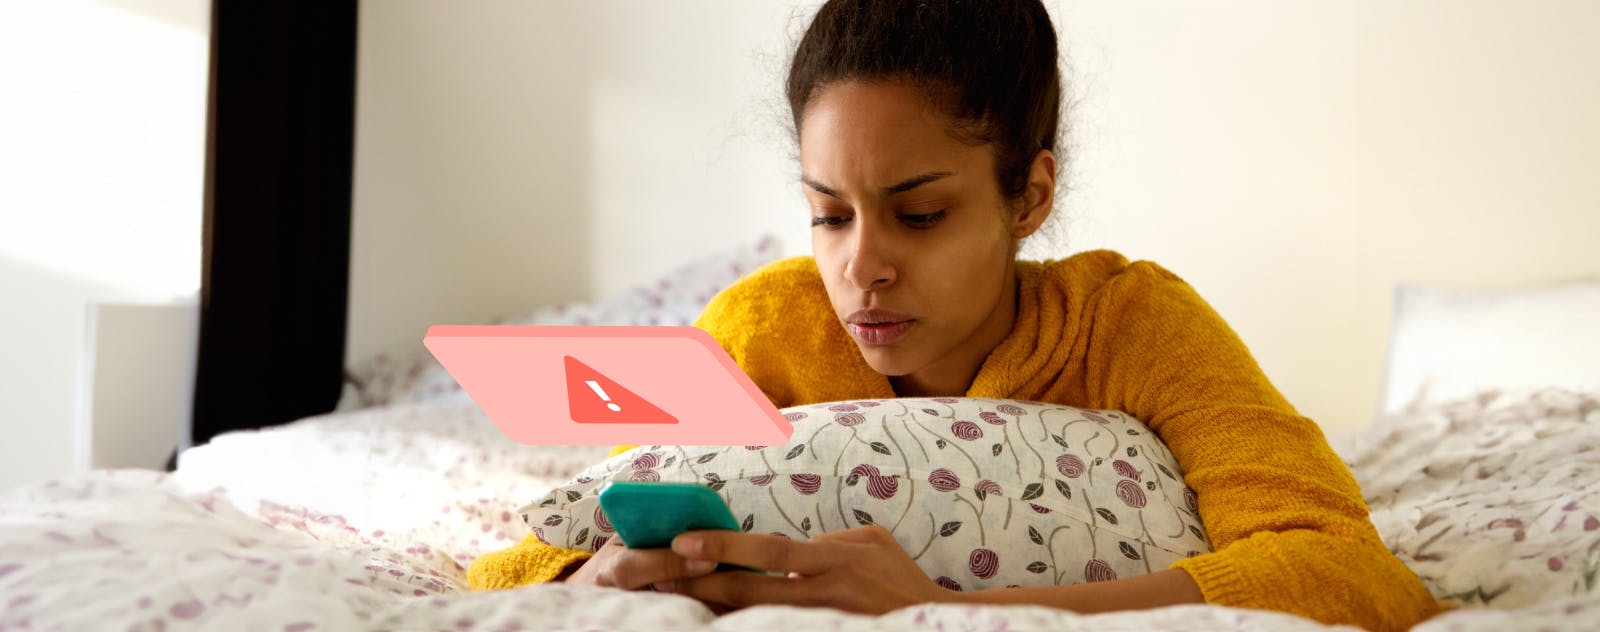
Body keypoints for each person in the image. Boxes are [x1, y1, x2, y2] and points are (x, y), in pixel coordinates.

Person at [469, 1, 1439, 628]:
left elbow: (1348, 571)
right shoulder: (764, 327)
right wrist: (583, 584)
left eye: (920, 214)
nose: (863, 267)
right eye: (827, 214)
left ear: (1029, 195)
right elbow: (523, 550)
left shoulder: (1132, 323)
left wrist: (946, 608)